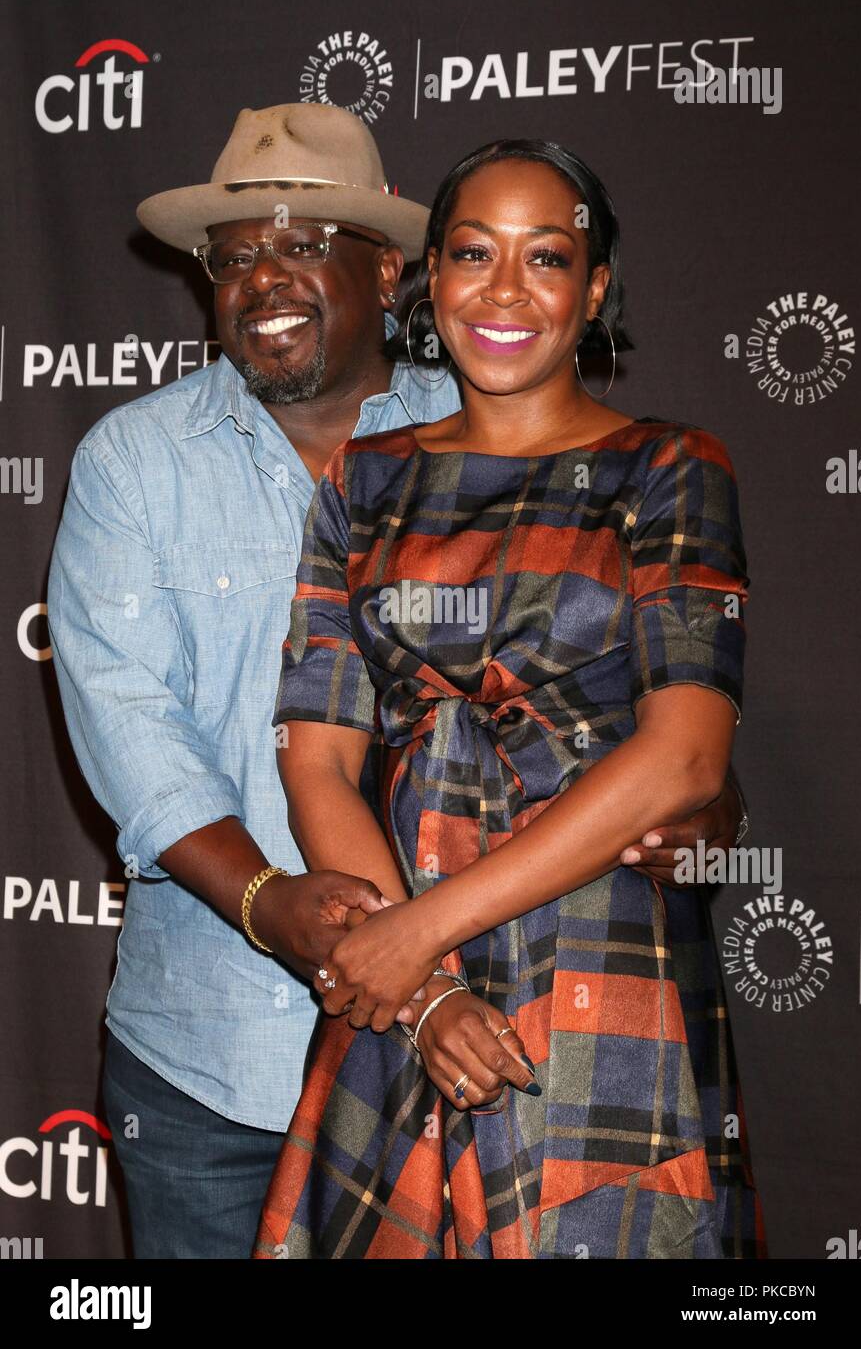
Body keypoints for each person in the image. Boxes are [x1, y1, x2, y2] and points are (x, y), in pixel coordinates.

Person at [47, 103, 743, 1259]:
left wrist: (706, 809)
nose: (262, 277)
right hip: (216, 1043)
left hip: (547, 1007)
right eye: (232, 258)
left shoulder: (561, 434)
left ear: (387, 270)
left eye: (302, 245)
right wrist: (312, 926)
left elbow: (660, 731)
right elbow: (140, 737)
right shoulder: (141, 460)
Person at [254, 139, 765, 1260]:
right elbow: (319, 759)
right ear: (428, 276)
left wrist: (413, 943)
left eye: (546, 258)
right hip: (401, 994)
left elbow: (682, 760)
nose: (502, 290)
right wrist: (427, 995)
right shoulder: (361, 480)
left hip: (594, 963)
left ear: (593, 291)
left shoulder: (670, 468)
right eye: (473, 252)